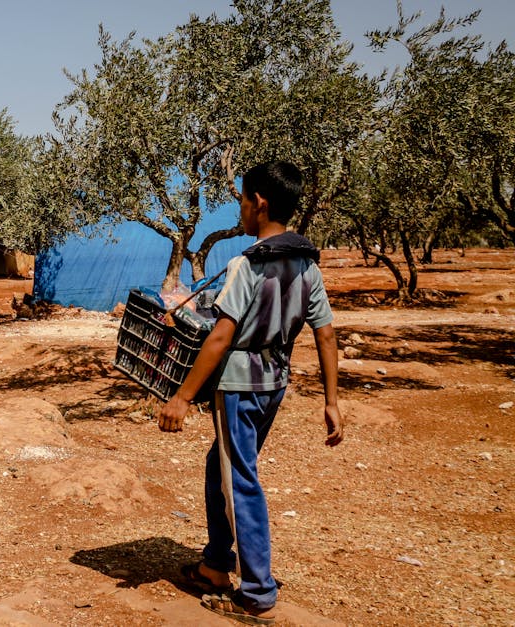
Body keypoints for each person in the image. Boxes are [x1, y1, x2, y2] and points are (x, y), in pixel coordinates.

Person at [157, 161, 345, 625]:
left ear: (259, 203)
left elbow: (221, 337)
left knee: (239, 477)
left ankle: (257, 590)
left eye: (242, 199)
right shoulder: (307, 265)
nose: (239, 208)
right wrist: (332, 401)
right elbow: (325, 334)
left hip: (239, 385)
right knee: (220, 466)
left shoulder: (247, 265)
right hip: (275, 384)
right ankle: (216, 564)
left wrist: (181, 396)